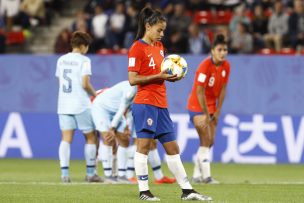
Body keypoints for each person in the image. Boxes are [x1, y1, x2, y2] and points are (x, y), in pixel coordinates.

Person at [128, 7, 212, 201]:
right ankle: (144, 191)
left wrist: (169, 78)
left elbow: (160, 75)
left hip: (161, 104)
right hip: (145, 103)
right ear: (148, 26)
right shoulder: (136, 48)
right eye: (159, 30)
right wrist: (159, 76)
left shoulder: (159, 48)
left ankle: (187, 190)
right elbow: (132, 79)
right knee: (143, 146)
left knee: (173, 148)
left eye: (164, 30)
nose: (162, 34)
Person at [55, 31, 102, 183]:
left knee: (66, 138)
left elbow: (60, 82)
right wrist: (95, 94)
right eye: (87, 46)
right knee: (90, 137)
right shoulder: (84, 60)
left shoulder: (61, 60)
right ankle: (90, 174)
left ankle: (64, 175)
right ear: (83, 46)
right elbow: (85, 83)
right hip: (81, 104)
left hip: (63, 104)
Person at [187, 34, 230, 184]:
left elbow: (223, 89)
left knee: (210, 141)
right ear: (212, 50)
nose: (223, 52)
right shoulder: (204, 66)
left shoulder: (226, 66)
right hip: (197, 105)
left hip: (211, 106)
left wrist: (218, 110)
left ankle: (196, 175)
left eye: (225, 49)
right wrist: (206, 114)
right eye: (219, 49)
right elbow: (199, 91)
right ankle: (206, 177)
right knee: (205, 139)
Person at [92, 80, 136, 183]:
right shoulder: (131, 89)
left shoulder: (141, 92)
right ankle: (108, 175)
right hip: (101, 108)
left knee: (125, 140)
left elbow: (129, 111)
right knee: (109, 138)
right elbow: (122, 109)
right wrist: (112, 128)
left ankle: (121, 175)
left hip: (116, 112)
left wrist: (127, 127)